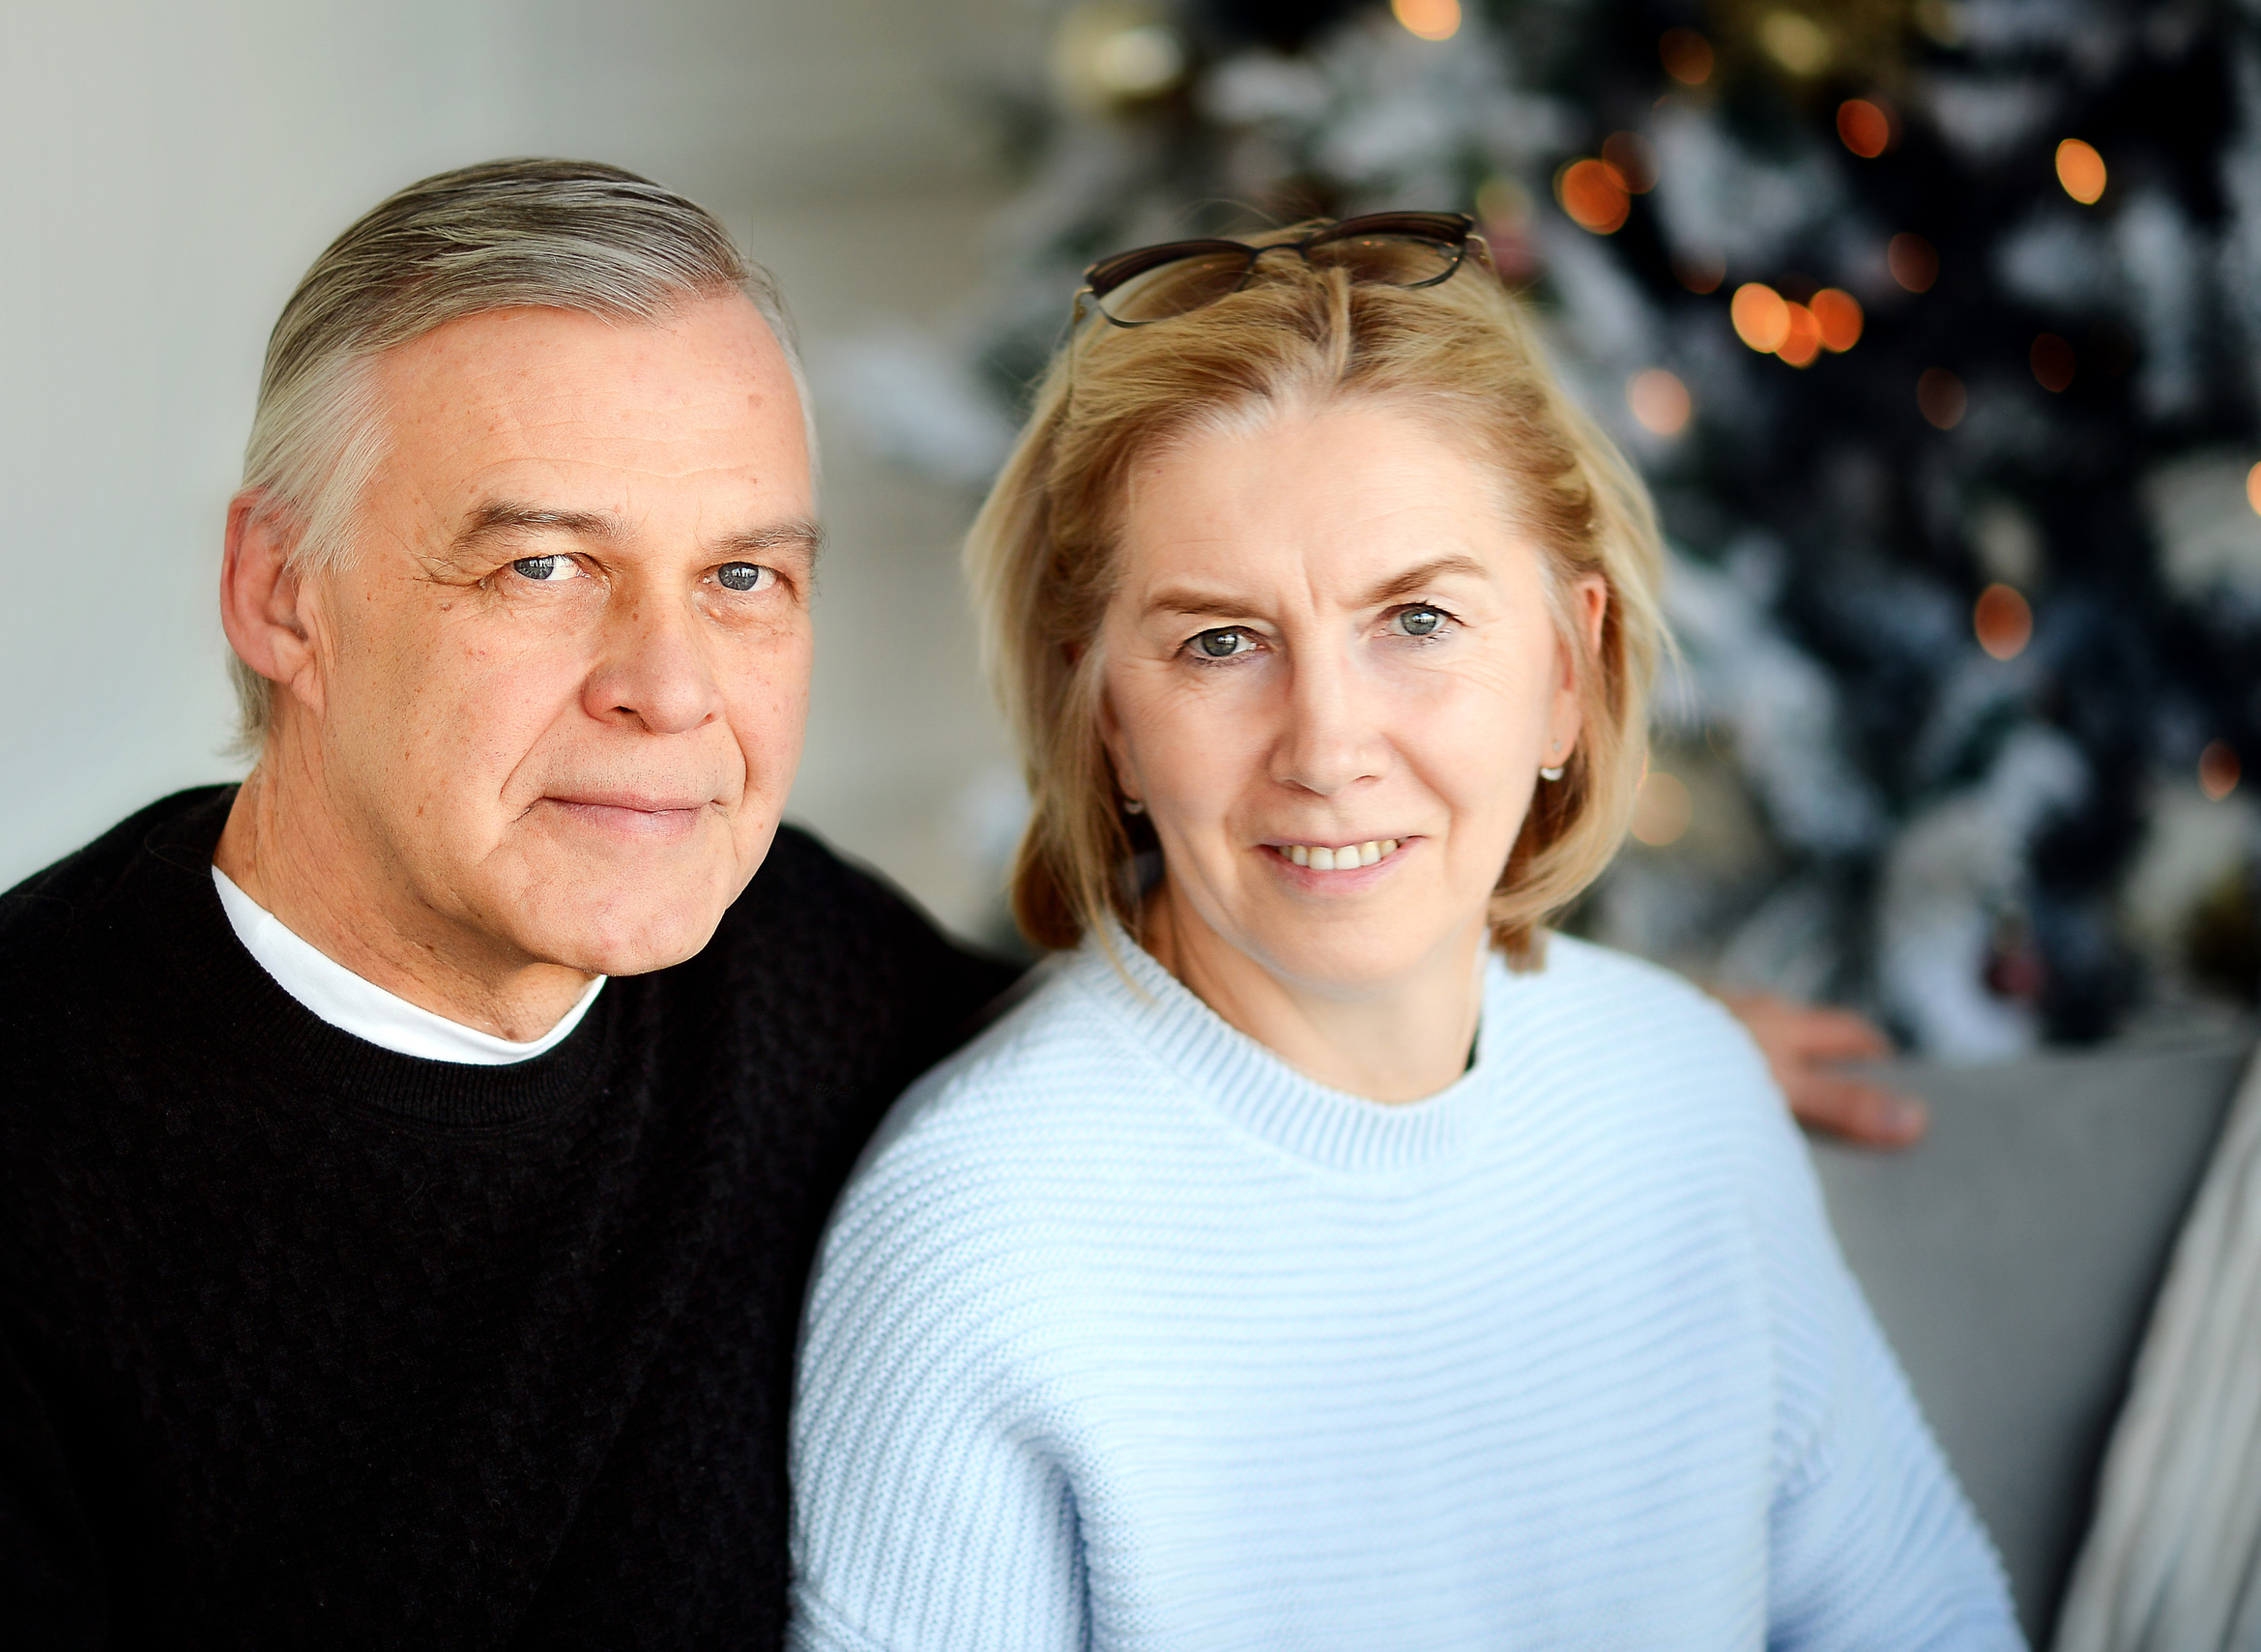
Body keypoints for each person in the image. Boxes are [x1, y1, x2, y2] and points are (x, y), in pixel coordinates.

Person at [0, 159, 1013, 1646]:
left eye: (744, 575)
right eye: (546, 563)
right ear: (281, 594)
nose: (673, 686)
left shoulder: (818, 974)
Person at [787, 217, 2023, 1648]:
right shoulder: (973, 1242)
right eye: (1220, 642)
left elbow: (1917, 1621)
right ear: (1108, 718)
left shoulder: (1685, 1092)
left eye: (1418, 619)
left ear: (1567, 670)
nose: (1327, 745)